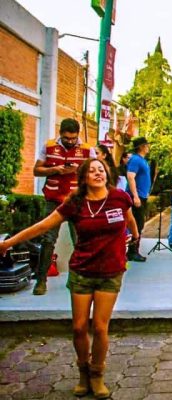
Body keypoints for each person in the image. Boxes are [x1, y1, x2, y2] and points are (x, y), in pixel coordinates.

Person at [0, 158, 139, 399]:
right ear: (84, 178)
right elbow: (43, 226)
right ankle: (83, 372)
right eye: (92, 171)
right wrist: (8, 243)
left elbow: (129, 218)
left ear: (107, 174)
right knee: (78, 327)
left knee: (100, 326)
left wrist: (135, 235)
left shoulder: (119, 197)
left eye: (101, 170)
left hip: (111, 272)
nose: (98, 173)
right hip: (82, 271)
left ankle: (97, 375)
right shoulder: (74, 203)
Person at [31, 118, 96, 295]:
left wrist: (79, 171)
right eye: (66, 138)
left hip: (76, 201)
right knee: (48, 240)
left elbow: (96, 173)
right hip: (53, 200)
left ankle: (77, 280)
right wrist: (56, 170)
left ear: (78, 136)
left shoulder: (87, 150)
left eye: (73, 138)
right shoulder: (49, 146)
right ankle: (41, 281)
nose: (69, 141)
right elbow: (36, 170)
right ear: (60, 134)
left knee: (80, 241)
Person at [125, 137, 151, 262]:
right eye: (146, 145)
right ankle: (132, 251)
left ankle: (134, 250)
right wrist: (135, 196)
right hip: (137, 196)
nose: (148, 147)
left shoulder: (142, 160)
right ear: (141, 146)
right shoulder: (136, 159)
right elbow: (130, 177)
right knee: (136, 223)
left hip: (142, 195)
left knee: (139, 223)